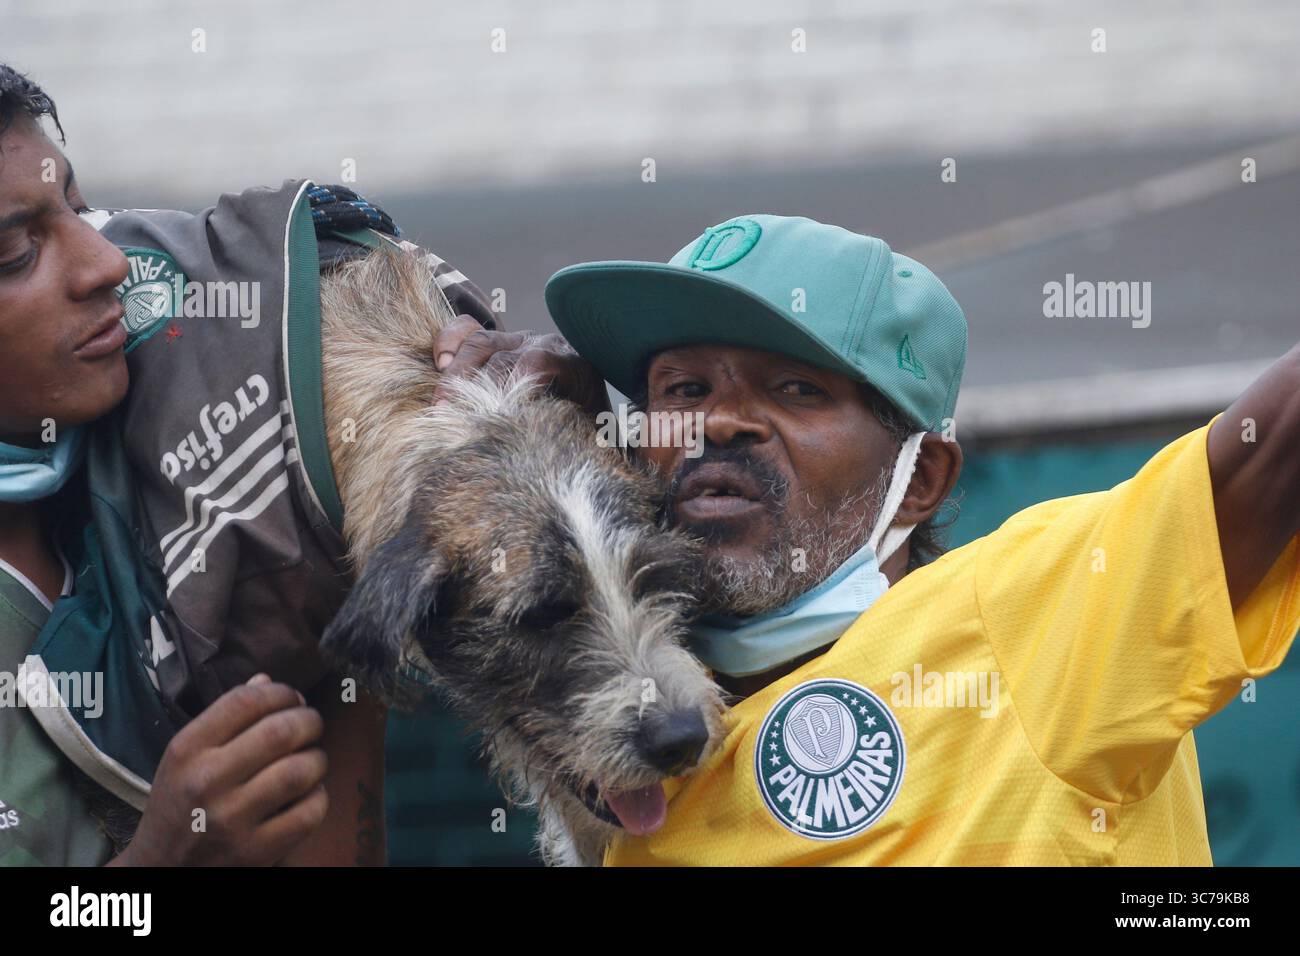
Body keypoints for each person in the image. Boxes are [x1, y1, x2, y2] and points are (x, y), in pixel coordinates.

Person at [438, 212, 1300, 865]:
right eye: (685, 387)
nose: (722, 422)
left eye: (796, 389)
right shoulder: (633, 720)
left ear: (920, 477)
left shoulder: (1036, 612)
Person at [0, 64, 383, 865]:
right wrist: (164, 859)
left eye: (77, 207)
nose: (104, 263)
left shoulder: (172, 468)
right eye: (14, 251)